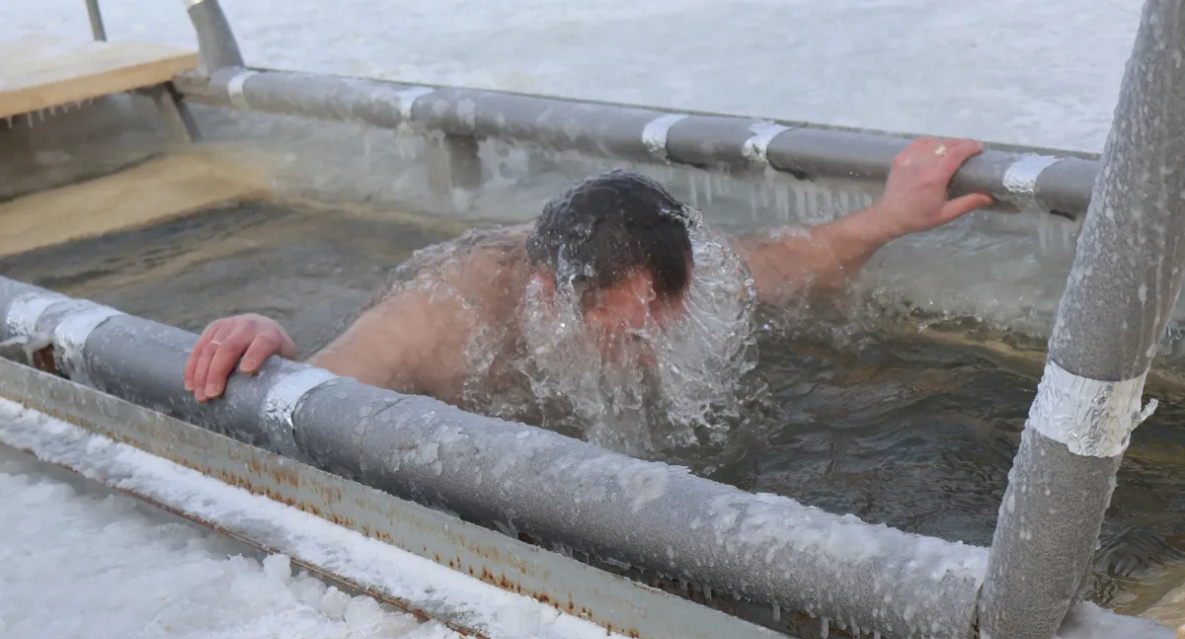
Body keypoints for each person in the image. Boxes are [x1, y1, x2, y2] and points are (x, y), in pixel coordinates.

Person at [183, 137, 992, 405]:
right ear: (549, 297)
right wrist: (270, 342)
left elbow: (790, 261)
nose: (646, 346)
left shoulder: (689, 273)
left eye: (659, 320)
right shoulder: (443, 317)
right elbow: (325, 389)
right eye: (622, 330)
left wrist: (891, 215)